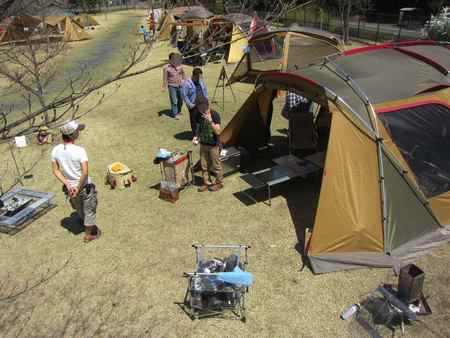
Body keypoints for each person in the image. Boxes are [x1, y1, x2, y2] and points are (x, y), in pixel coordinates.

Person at [51, 120, 100, 242]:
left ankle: (82, 220)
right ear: (73, 135)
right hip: (84, 187)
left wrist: (67, 184)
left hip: (70, 189)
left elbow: (56, 171)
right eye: (77, 130)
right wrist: (78, 187)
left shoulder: (55, 150)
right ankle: (88, 235)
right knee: (89, 210)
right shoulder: (80, 150)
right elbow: (85, 172)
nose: (79, 132)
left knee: (79, 207)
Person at [192, 97, 223, 192]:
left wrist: (210, 121)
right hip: (203, 144)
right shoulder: (198, 115)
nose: (198, 108)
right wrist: (196, 137)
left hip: (214, 145)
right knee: (204, 165)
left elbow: (218, 131)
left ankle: (219, 183)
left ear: (206, 105)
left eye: (199, 106)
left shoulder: (215, 115)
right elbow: (198, 129)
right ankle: (206, 182)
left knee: (216, 165)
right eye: (197, 106)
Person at [181, 67, 208, 136]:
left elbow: (205, 90)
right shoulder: (187, 83)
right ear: (194, 76)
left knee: (203, 119)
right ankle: (195, 135)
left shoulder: (201, 81)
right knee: (194, 121)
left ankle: (202, 134)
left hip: (202, 104)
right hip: (194, 105)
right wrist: (190, 105)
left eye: (201, 77)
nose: (200, 79)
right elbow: (184, 95)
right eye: (198, 77)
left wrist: (206, 100)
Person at [162, 53, 185, 119]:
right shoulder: (166, 68)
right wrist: (164, 86)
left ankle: (178, 111)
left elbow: (183, 74)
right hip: (172, 86)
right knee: (174, 100)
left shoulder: (180, 66)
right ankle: (175, 114)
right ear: (170, 60)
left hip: (180, 85)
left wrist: (183, 81)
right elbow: (165, 78)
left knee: (180, 99)